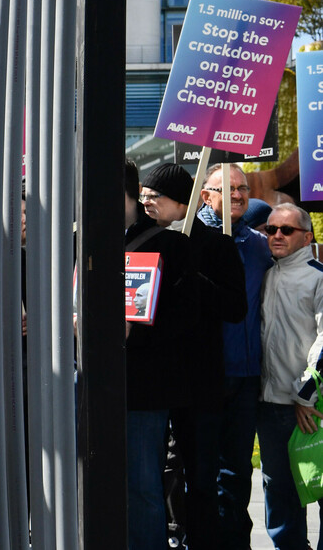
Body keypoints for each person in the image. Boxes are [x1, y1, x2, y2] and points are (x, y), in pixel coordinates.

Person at [139, 163, 246, 550]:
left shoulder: (216, 245)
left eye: (156, 198)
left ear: (181, 203)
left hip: (199, 382)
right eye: (144, 197)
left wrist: (193, 275)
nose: (147, 203)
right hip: (152, 380)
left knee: (202, 476)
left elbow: (236, 308)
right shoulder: (140, 239)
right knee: (150, 474)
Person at [196, 164, 273, 548]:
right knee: (202, 470)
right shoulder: (187, 239)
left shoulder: (259, 245)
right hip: (203, 376)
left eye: (243, 188)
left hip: (245, 377)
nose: (238, 195)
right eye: (227, 189)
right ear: (205, 194)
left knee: (238, 471)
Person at [124, 160, 196, 550]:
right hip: (90, 379)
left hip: (144, 386)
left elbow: (185, 318)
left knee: (141, 484)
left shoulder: (169, 245)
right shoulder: (81, 237)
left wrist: (137, 330)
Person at [257, 203, 323, 550]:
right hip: (270, 407)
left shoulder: (319, 277)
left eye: (286, 230)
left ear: (307, 236)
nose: (277, 235)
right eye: (270, 229)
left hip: (310, 409)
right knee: (279, 496)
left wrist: (305, 396)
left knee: (322, 488)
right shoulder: (266, 273)